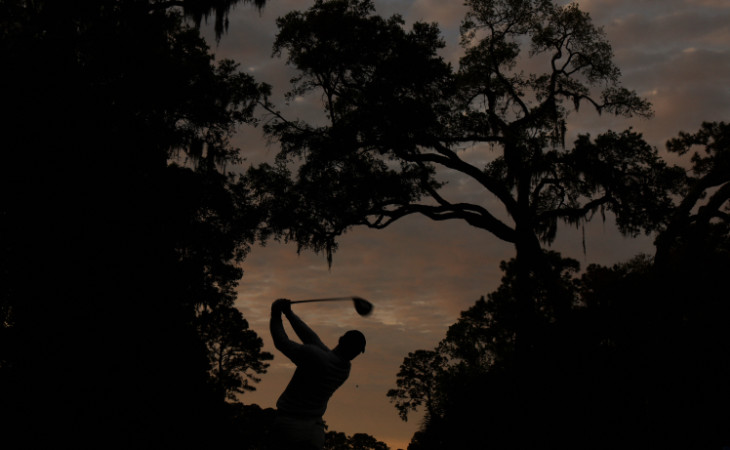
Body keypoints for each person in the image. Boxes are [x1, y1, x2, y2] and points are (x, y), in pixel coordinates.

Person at [269, 298, 366, 450]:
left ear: (340, 340)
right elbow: (312, 339)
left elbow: (281, 342)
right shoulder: (344, 369)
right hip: (315, 430)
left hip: (290, 425)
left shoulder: (316, 357)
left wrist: (276, 314)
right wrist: (289, 313)